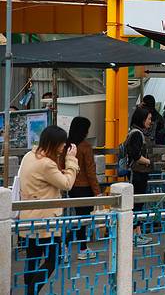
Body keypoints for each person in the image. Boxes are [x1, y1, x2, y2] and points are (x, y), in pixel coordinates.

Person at [19, 125, 78, 295]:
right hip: (46, 222)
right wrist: (71, 161)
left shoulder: (29, 156)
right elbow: (67, 183)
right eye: (62, 143)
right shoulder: (46, 164)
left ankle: (30, 291)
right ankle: (32, 291)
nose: (64, 147)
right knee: (54, 258)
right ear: (54, 143)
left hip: (28, 218)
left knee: (32, 259)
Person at [67, 116, 101, 260]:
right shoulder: (85, 147)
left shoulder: (67, 145)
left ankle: (79, 247)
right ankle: (75, 246)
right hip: (85, 188)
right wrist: (97, 192)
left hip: (71, 186)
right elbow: (90, 172)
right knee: (83, 220)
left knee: (79, 219)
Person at [127, 106, 153, 246]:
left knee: (138, 204)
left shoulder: (135, 132)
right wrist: (149, 162)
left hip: (139, 173)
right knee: (136, 203)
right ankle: (133, 234)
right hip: (137, 173)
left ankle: (137, 233)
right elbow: (136, 155)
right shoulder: (137, 134)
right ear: (142, 119)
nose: (150, 121)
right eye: (148, 119)